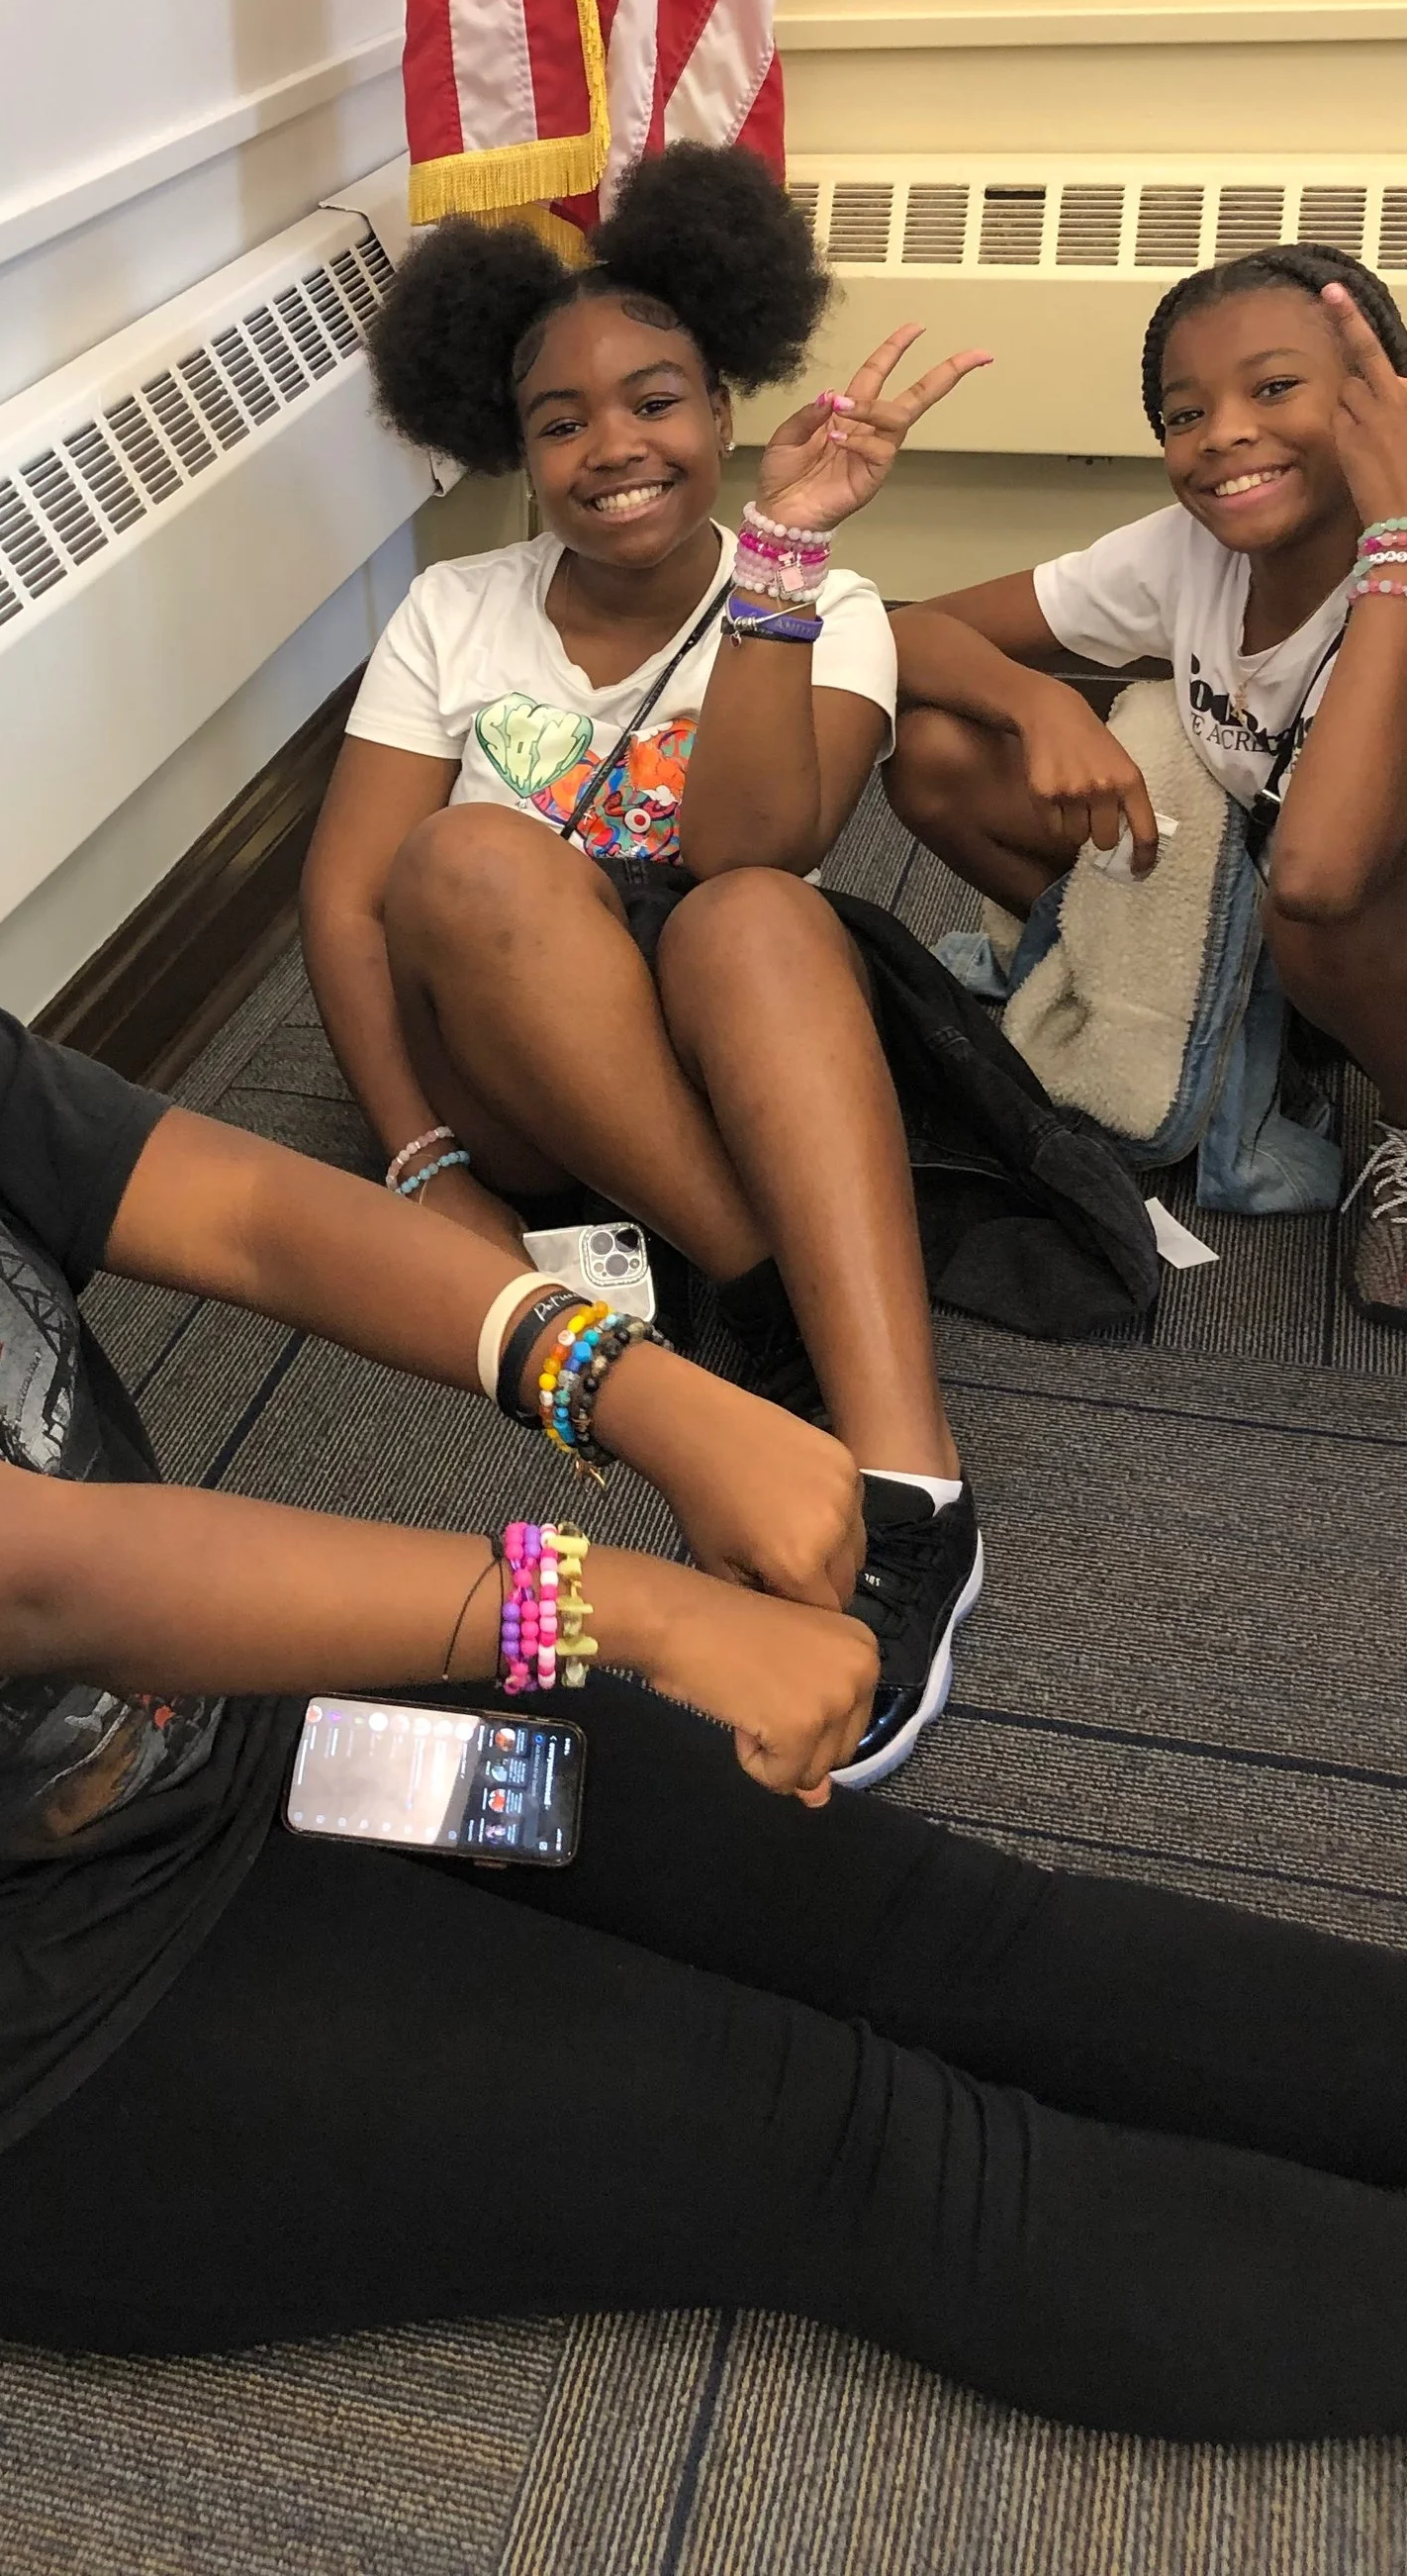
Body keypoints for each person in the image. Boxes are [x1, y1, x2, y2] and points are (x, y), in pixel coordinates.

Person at [0, 575, 1407, 2446]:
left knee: (945, 1936)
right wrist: (616, 1607)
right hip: (34, 2046)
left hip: (299, 1763)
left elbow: (246, 1217)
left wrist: (625, 1382)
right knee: (847, 2140)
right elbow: (34, 1576)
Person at [302, 143, 989, 1784]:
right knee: (461, 852)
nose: (614, 442)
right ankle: (779, 1293)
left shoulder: (839, 606)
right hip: (531, 1074)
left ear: (729, 408)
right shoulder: (452, 613)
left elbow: (762, 841)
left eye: (657, 398)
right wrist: (424, 1162)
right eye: (562, 420)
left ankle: (911, 1487)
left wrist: (783, 568)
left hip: (749, 1040)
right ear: (513, 449)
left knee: (749, 907)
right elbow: (343, 907)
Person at [885, 247, 1407, 1328]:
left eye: (1271, 388)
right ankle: (1168, 1015)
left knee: (1328, 905)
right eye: (1181, 413)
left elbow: (1324, 871)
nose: (1220, 434)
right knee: (931, 747)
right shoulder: (1184, 554)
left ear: (1378, 412)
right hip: (1252, 911)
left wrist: (1406, 547)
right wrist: (1041, 704)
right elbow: (903, 636)